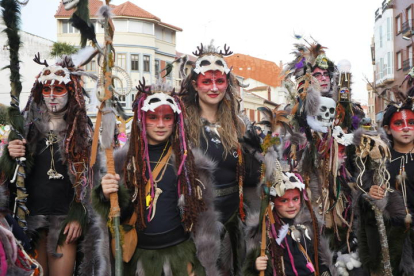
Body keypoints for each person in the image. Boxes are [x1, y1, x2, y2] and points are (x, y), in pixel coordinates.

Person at [94, 81, 220, 275]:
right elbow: (118, 214)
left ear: (176, 120)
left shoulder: (190, 163)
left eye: (167, 117)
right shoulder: (122, 162)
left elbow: (204, 221)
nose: (161, 124)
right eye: (153, 117)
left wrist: (200, 263)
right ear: (142, 119)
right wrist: (107, 193)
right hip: (137, 259)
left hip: (179, 257)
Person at [0, 55, 99, 276]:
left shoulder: (83, 131)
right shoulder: (25, 126)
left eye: (59, 89)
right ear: (39, 92)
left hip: (64, 220)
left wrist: (78, 214)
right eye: (46, 89)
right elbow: (7, 176)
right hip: (31, 219)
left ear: (71, 91)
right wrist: (9, 153)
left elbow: (92, 180)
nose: (52, 95)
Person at [180, 43, 259, 275]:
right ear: (195, 85)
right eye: (206, 81)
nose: (214, 88)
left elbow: (255, 177)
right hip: (195, 221)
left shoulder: (240, 125)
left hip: (234, 218)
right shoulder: (180, 125)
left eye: (220, 81)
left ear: (227, 83)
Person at [359, 90, 414, 275]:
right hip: (391, 242)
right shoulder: (379, 160)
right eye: (399, 123)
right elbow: (363, 202)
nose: (406, 128)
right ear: (388, 128)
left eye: (411, 123)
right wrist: (370, 194)